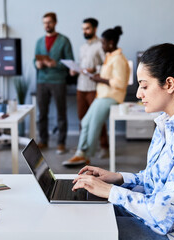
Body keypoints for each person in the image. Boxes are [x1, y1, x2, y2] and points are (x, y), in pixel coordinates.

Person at [71, 43, 174, 239]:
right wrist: (118, 178)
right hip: (166, 222)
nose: (138, 94)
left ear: (169, 84)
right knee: (87, 212)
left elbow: (166, 216)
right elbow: (157, 182)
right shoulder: (170, 122)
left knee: (91, 231)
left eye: (144, 86)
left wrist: (110, 191)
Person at [63, 26, 129, 166]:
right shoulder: (110, 57)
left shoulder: (118, 59)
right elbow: (109, 76)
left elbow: (121, 83)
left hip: (111, 96)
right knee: (86, 121)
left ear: (111, 43)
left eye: (103, 43)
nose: (102, 46)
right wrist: (98, 77)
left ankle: (84, 154)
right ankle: (81, 154)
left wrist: (100, 79)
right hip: (103, 95)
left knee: (94, 124)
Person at [34, 12, 74, 155]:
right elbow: (35, 60)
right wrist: (37, 64)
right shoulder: (39, 42)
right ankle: (43, 140)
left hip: (58, 81)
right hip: (42, 81)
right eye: (44, 22)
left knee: (61, 113)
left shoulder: (64, 41)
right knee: (41, 113)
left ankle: (61, 143)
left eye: (49, 22)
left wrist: (54, 64)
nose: (47, 25)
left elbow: (70, 63)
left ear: (55, 23)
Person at [73, 18, 108, 159]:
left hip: (95, 87)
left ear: (94, 29)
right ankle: (83, 148)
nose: (84, 31)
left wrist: (94, 69)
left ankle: (104, 146)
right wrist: (74, 69)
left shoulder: (101, 45)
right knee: (82, 118)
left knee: (97, 118)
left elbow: (107, 65)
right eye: (83, 29)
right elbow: (82, 66)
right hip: (81, 86)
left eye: (87, 28)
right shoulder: (83, 47)